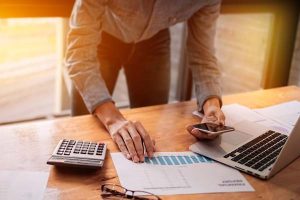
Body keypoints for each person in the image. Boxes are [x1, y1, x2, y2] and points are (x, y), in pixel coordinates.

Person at [65, 0, 225, 163]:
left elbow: (203, 55)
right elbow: (79, 56)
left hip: (154, 40)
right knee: (83, 135)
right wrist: (114, 120)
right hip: (101, 38)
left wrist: (211, 105)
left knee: (147, 135)